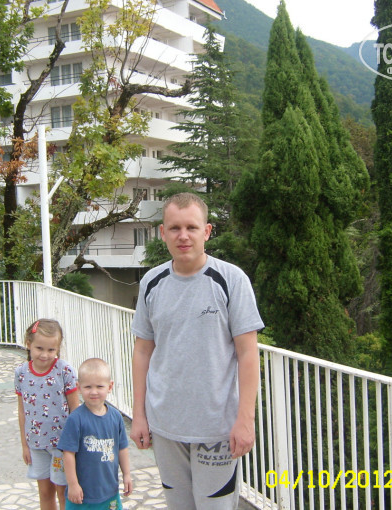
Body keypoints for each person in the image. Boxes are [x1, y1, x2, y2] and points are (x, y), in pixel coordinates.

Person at [130, 192, 264, 510]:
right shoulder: (151, 282)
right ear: (162, 233)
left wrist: (245, 420)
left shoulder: (232, 280)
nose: (183, 236)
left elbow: (248, 354)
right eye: (174, 228)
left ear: (207, 231)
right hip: (165, 425)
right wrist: (139, 415)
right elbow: (142, 351)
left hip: (217, 427)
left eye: (191, 227)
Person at [15, 319, 80, 510]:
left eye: (51, 350)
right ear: (28, 344)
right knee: (44, 493)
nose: (45, 355)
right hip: (36, 445)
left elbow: (75, 410)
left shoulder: (64, 371)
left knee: (63, 492)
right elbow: (22, 410)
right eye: (39, 348)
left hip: (62, 446)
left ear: (58, 348)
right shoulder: (21, 373)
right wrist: (24, 445)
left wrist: (74, 445)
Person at [59, 358, 133, 509]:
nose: (94, 392)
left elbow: (122, 448)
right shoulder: (75, 419)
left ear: (110, 386)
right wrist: (73, 484)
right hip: (82, 495)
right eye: (88, 387)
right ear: (78, 387)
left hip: (109, 491)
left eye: (99, 386)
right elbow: (68, 454)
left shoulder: (116, 417)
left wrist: (127, 474)